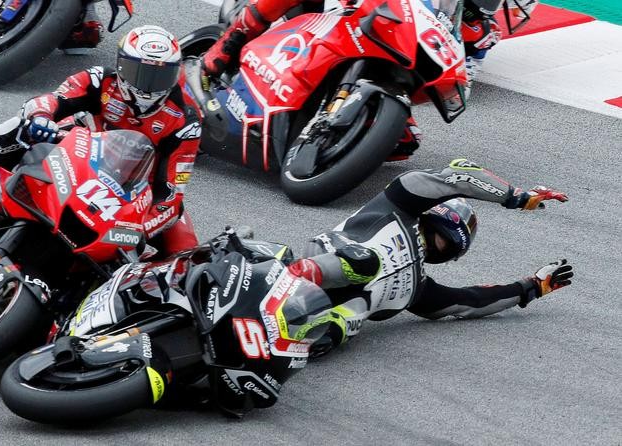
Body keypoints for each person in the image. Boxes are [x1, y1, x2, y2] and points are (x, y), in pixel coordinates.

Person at [0, 25, 203, 255]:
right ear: (122, 66)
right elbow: (52, 99)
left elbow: (172, 193)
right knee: (15, 129)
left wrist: (141, 228)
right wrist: (42, 119)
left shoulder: (186, 121)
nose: (148, 87)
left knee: (186, 250)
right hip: (82, 155)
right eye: (140, 73)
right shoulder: (101, 79)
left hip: (133, 190)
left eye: (159, 77)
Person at [285, 158, 572, 354]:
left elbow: (470, 301)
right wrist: (517, 196)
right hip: (330, 258)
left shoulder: (419, 289)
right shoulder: (400, 203)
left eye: (449, 250)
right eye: (443, 240)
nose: (441, 250)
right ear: (435, 217)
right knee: (366, 263)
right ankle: (289, 277)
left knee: (343, 324)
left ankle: (290, 341)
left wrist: (532, 287)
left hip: (331, 308)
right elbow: (458, 175)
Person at [201, 0, 539, 160]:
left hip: (388, 56)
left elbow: (464, 78)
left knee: (404, 143)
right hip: (350, 11)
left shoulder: (482, 33)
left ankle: (326, 126)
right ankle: (229, 42)